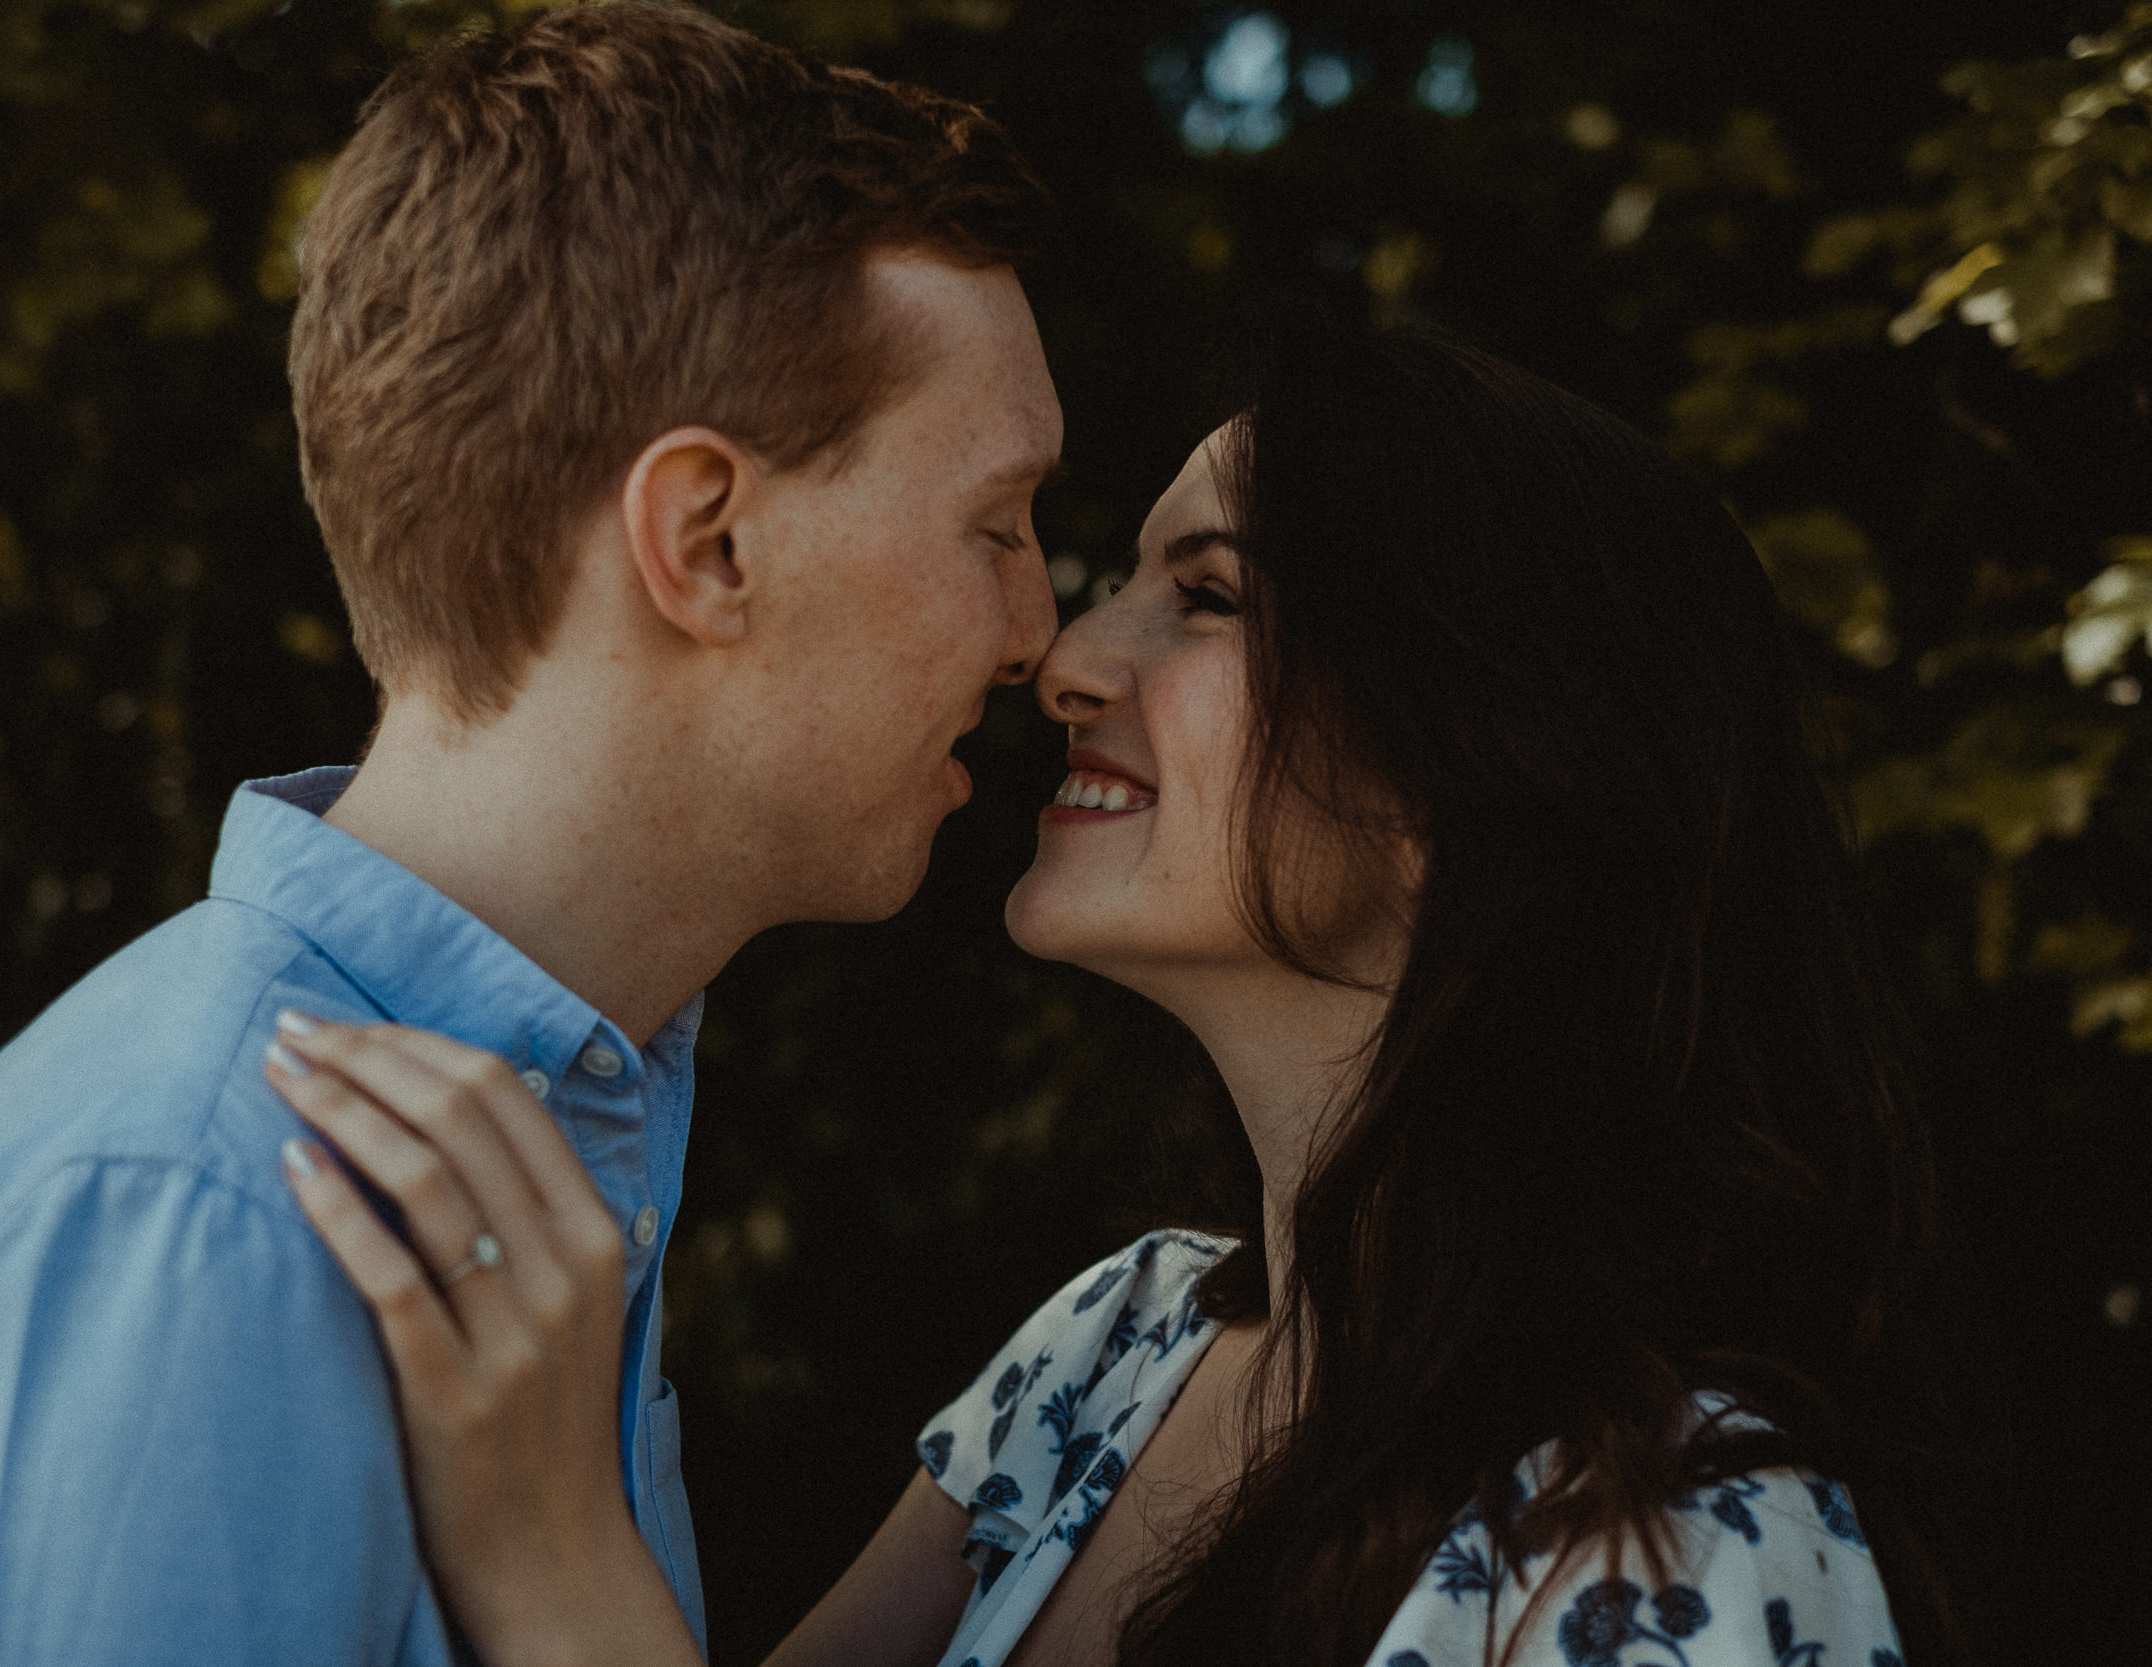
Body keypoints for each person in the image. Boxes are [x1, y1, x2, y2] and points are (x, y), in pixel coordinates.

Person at [264, 318, 1965, 1667]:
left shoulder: (1680, 1543)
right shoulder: (1113, 1353)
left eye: (1206, 598)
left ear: (1465, 773)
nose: (1068, 658)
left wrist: (562, 1556)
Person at [0, 7, 1061, 1663]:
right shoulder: (200, 1215)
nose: (1039, 634)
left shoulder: (533, 1138)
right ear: (708, 541)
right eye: (997, 525)